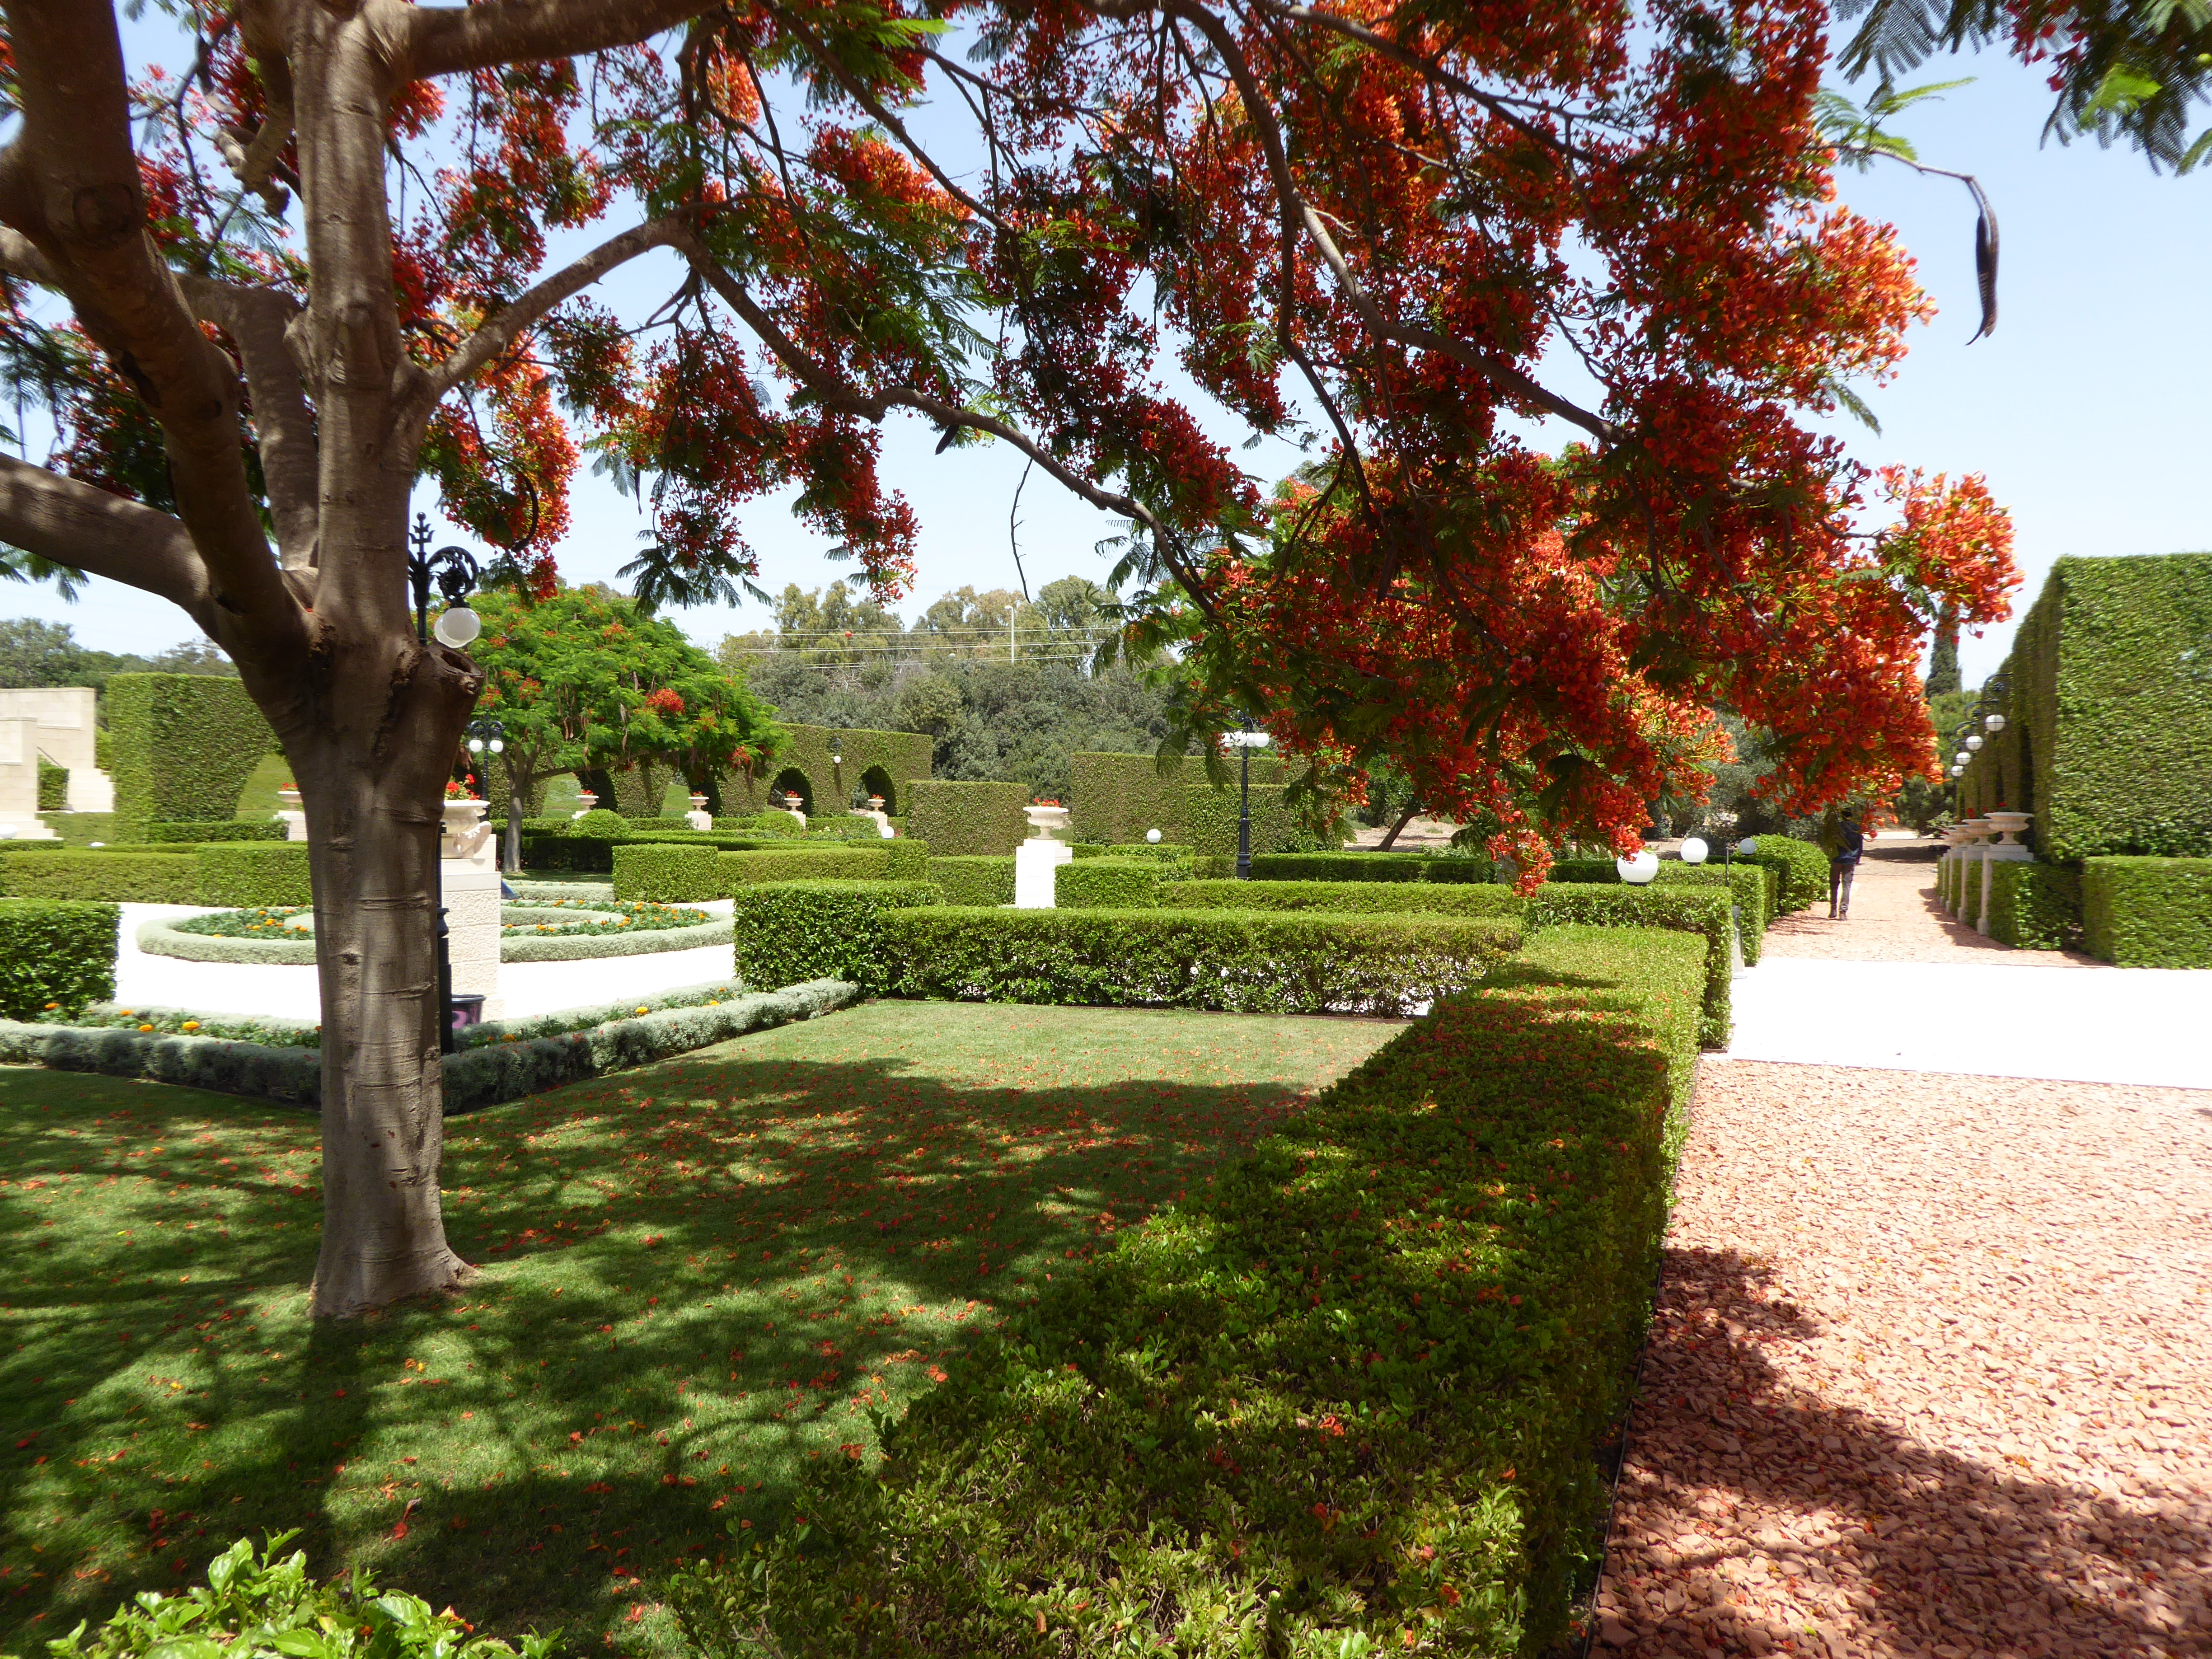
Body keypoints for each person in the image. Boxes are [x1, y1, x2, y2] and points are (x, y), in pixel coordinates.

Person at [1829, 807, 1866, 919]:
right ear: (1851, 816)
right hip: (1850, 860)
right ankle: (1843, 912)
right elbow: (1860, 846)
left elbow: (1830, 844)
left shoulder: (1836, 828)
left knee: (1834, 884)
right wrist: (1857, 858)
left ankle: (1833, 909)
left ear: (1842, 816)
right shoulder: (1857, 828)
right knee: (1846, 886)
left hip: (1836, 859)